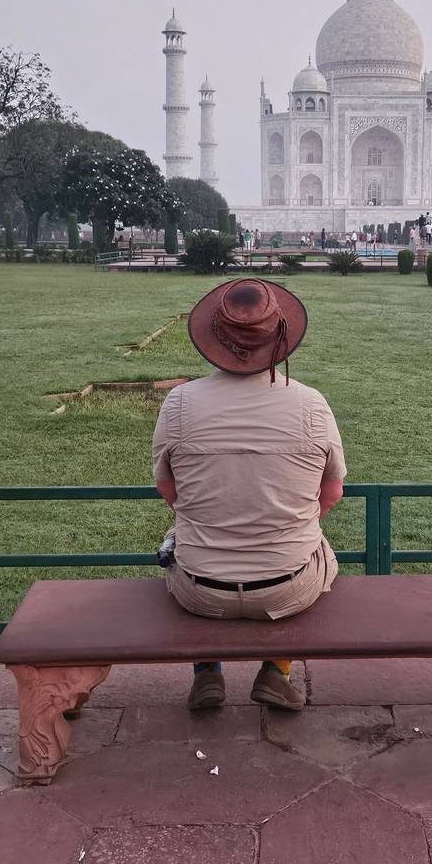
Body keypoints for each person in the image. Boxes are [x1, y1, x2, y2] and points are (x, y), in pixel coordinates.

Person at [153, 279, 346, 711]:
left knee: (182, 535)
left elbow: (170, 492)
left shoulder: (179, 403)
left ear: (211, 335)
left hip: (199, 590)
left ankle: (207, 672)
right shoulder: (312, 403)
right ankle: (277, 671)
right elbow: (331, 494)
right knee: (318, 545)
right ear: (280, 335)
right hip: (288, 586)